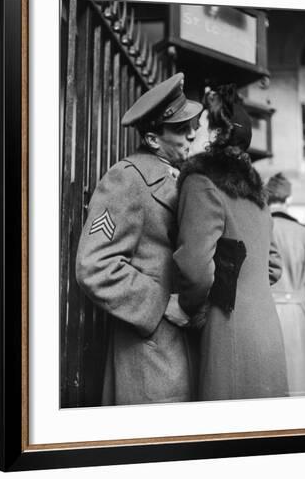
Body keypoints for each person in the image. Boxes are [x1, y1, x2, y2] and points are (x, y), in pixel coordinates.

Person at [75, 72, 202, 405]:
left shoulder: (181, 178)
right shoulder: (127, 179)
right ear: (153, 139)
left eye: (191, 125)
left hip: (181, 346)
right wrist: (161, 304)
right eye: (179, 129)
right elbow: (94, 265)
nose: (191, 134)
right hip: (150, 355)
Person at [173, 88, 288, 401]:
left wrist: (185, 307)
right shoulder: (257, 193)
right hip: (266, 332)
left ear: (216, 135)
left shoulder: (200, 182)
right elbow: (273, 266)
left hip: (227, 335)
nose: (190, 132)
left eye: (199, 125)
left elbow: (196, 268)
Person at [266, 173, 305, 396]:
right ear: (288, 200)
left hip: (263, 316)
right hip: (298, 318)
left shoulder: (257, 229)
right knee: (300, 386)